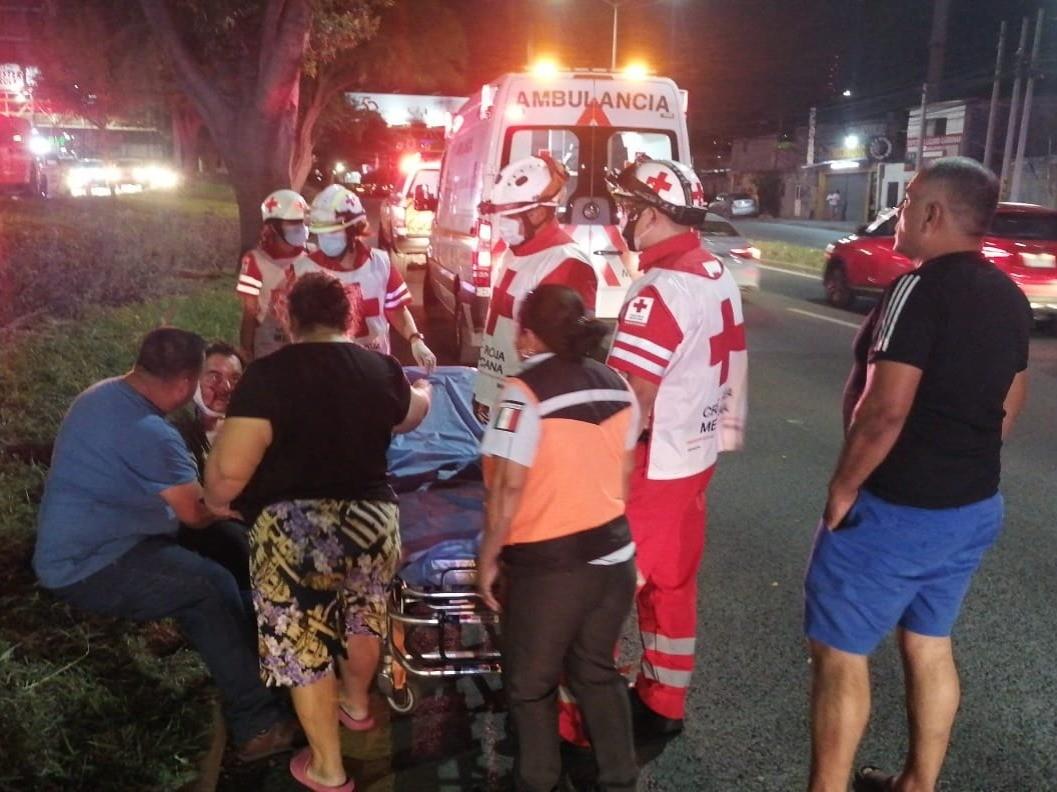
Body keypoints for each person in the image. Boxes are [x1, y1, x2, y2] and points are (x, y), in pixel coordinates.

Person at [805, 158, 1031, 792]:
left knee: (839, 653)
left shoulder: (918, 288)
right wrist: (963, 462)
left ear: (934, 214)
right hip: (971, 506)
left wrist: (843, 490)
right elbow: (1012, 401)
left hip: (896, 508)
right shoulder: (1007, 294)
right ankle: (918, 783)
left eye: (907, 206)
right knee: (930, 641)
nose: (901, 217)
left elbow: (884, 409)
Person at [203, 273, 432, 792]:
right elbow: (414, 413)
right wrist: (422, 389)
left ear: (288, 318)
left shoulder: (266, 377)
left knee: (303, 644)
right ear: (349, 319)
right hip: (374, 522)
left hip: (295, 533)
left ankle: (328, 768)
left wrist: (219, 496)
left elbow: (226, 478)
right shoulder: (380, 369)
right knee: (362, 617)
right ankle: (356, 706)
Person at [32, 327, 300, 764]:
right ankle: (258, 726)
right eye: (200, 380)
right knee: (207, 586)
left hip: (108, 533)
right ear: (182, 384)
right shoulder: (152, 433)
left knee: (224, 560)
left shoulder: (102, 395)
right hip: (91, 562)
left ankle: (253, 633)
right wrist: (235, 504)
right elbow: (196, 511)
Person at [605, 158, 748, 737]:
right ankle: (663, 700)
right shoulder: (715, 270)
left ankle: (586, 721)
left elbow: (630, 399)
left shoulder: (660, 289)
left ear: (652, 213)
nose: (621, 218)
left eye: (628, 208)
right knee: (672, 585)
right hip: (696, 455)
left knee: (603, 595)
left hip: (652, 464)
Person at [478, 284, 639, 792]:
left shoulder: (522, 394)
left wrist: (487, 558)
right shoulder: (618, 384)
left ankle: (538, 780)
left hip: (549, 568)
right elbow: (624, 475)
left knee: (530, 684)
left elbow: (506, 487)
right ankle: (619, 780)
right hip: (614, 560)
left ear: (527, 335)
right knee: (596, 672)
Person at [473, 153, 598, 421]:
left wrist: (512, 410)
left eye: (508, 216)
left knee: (508, 463)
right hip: (502, 396)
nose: (501, 224)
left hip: (527, 405)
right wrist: (485, 391)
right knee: (492, 461)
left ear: (539, 212)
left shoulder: (567, 264)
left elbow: (561, 357)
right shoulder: (514, 253)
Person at [291, 184, 436, 371]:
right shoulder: (303, 271)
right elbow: (294, 326)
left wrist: (415, 339)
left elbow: (396, 309)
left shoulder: (380, 263)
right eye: (321, 233)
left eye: (332, 231)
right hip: (326, 374)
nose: (325, 239)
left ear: (354, 230)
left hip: (376, 370)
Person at [171, 341, 251, 591]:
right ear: (194, 380)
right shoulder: (179, 432)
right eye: (214, 377)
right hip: (207, 524)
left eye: (235, 379)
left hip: (251, 515)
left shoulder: (252, 428)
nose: (226, 387)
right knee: (236, 542)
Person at [237, 189, 309, 360]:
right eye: (292, 223)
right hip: (268, 344)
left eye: (301, 222)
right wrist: (246, 351)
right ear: (273, 227)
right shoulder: (254, 261)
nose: (299, 228)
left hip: (304, 341)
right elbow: (250, 312)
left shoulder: (311, 257)